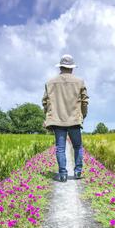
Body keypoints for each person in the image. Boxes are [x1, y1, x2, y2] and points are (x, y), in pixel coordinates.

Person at [42, 54, 89, 182]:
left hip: (57, 120)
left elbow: (45, 102)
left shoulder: (50, 83)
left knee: (60, 148)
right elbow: (85, 102)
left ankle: (63, 174)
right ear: (72, 68)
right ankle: (78, 172)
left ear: (60, 67)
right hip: (74, 120)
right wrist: (82, 115)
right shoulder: (79, 82)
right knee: (78, 146)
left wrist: (47, 117)